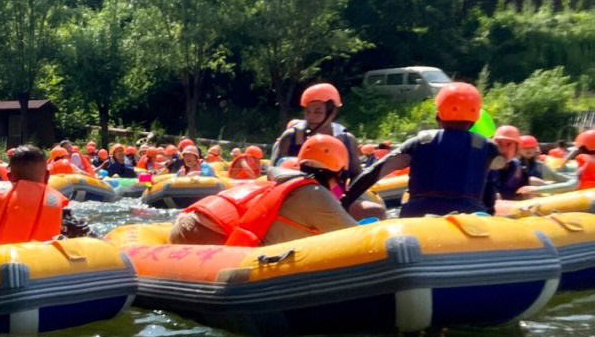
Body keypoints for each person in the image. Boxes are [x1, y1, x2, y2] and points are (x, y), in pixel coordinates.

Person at [343, 82, 507, 218]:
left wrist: (345, 201)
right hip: (469, 218)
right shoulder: (487, 148)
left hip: (418, 216)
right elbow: (501, 165)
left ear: (438, 115)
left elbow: (373, 173)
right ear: (476, 118)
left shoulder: (420, 142)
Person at [168, 135, 359, 247]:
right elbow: (357, 240)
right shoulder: (317, 194)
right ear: (337, 171)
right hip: (203, 233)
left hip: (189, 222)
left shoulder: (290, 183)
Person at [0, 144, 93, 249]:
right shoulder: (61, 211)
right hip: (36, 270)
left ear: (9, 176)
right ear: (47, 176)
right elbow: (88, 240)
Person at [272, 83, 360, 181]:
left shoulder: (347, 140)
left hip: (335, 192)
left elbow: (356, 176)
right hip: (296, 191)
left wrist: (340, 195)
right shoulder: (290, 137)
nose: (311, 117)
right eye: (308, 111)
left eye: (318, 112)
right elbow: (272, 172)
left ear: (332, 112)